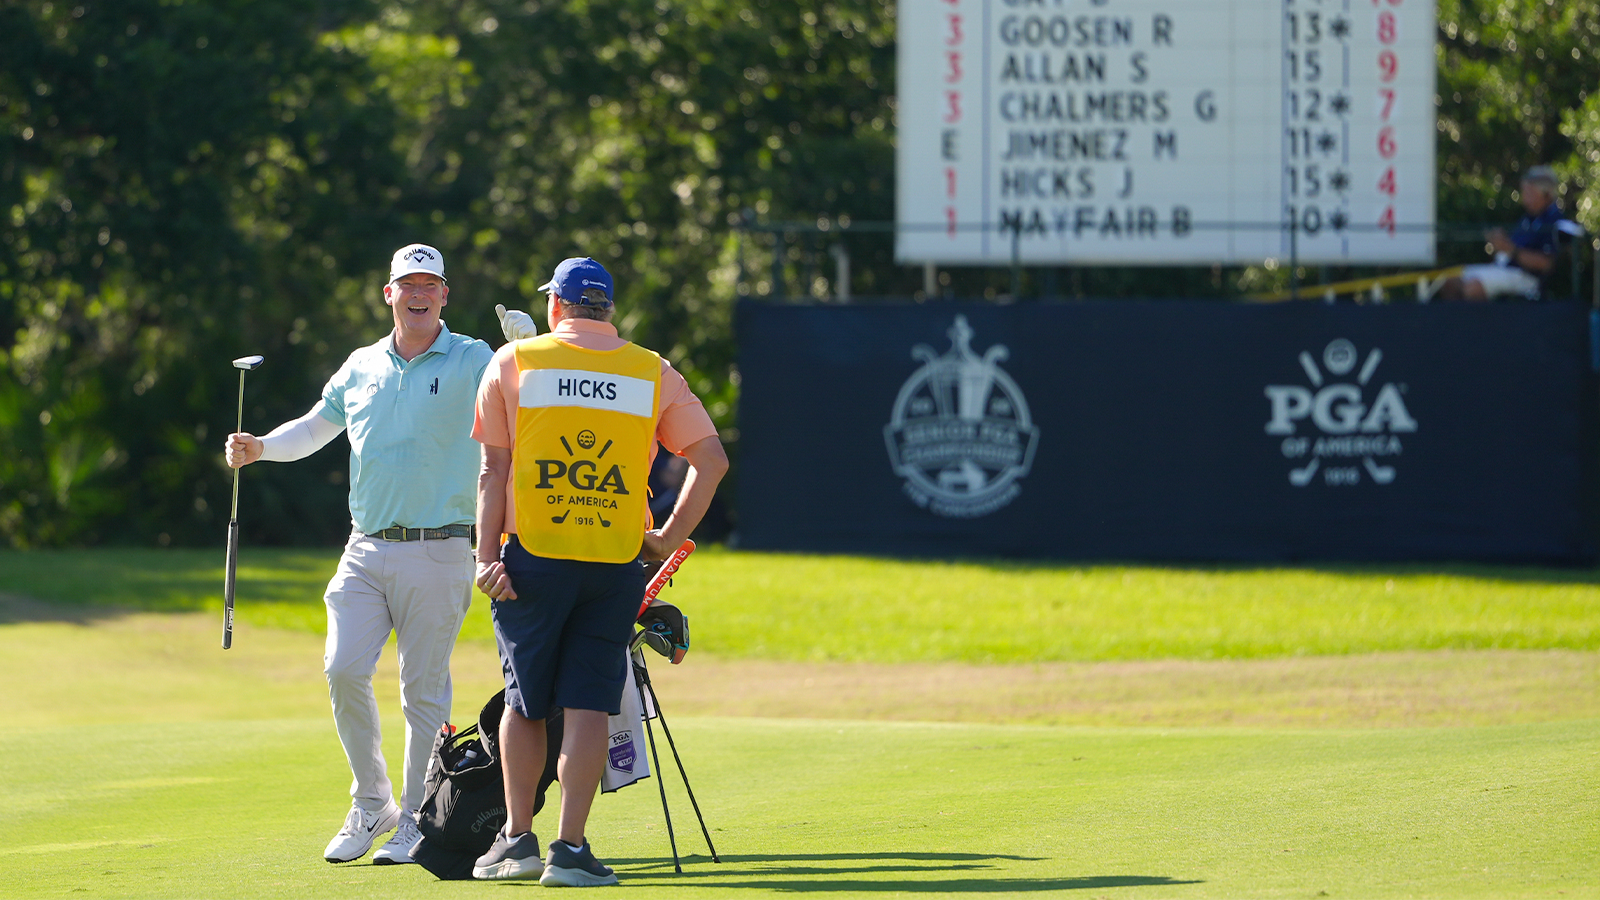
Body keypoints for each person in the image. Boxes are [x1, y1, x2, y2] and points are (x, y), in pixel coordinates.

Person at [226, 244, 507, 866]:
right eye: (407, 283)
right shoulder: (360, 366)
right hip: (366, 547)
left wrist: (526, 349)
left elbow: (520, 403)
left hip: (441, 549)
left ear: (444, 295)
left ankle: (413, 817)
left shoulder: (472, 359)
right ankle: (372, 801)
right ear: (389, 294)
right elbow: (314, 428)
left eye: (430, 283)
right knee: (342, 669)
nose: (418, 292)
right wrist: (261, 448)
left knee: (423, 693)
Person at [469, 256, 728, 885]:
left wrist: (484, 558)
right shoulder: (650, 369)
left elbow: (492, 474)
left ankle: (517, 842)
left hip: (533, 558)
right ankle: (571, 851)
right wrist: (666, 538)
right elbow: (711, 460)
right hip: (615, 562)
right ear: (608, 310)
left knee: (527, 706)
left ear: (555, 306)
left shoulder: (513, 361)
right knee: (588, 704)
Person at [1436, 166, 1565, 302]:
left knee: (1473, 288)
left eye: (1529, 193)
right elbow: (1508, 250)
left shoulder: (1553, 220)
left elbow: (1546, 264)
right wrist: (1498, 244)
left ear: (1546, 194)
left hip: (1527, 278)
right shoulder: (1528, 218)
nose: (1524, 199)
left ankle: (1482, 323)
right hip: (1504, 268)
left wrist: (1510, 249)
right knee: (1449, 280)